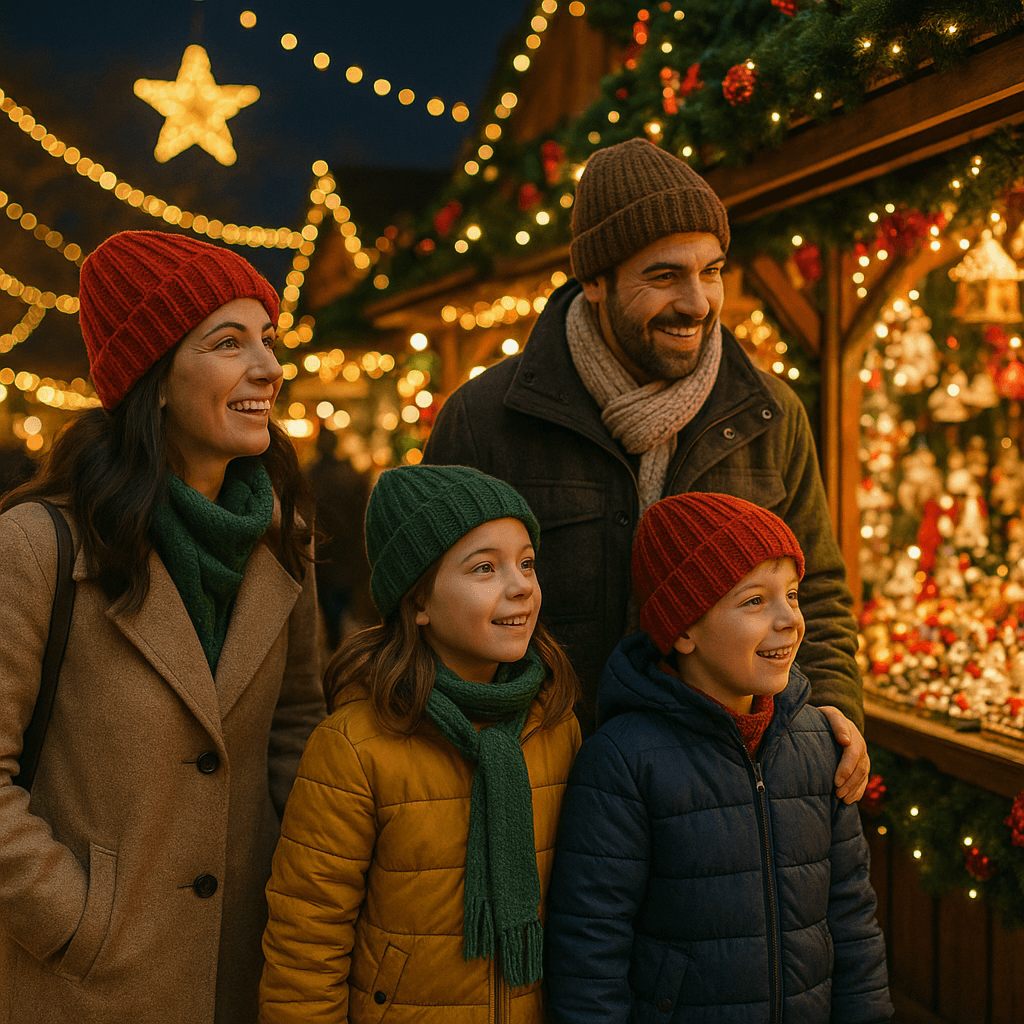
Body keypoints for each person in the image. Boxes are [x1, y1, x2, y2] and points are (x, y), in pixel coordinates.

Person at [423, 137, 868, 800]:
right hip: (543, 793)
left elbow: (820, 587)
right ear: (594, 282)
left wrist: (832, 703)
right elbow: (426, 613)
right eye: (664, 277)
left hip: (724, 798)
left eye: (711, 270)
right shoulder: (484, 421)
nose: (698, 302)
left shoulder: (770, 416)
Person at [0, 230, 324, 1024]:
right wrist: (74, 921)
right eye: (228, 342)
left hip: (243, 975)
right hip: (87, 986)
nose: (269, 367)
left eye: (267, 339)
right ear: (155, 378)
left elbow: (297, 728)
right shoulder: (37, 546)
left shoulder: (283, 542)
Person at [544, 493, 892, 1023]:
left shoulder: (819, 743)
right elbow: (590, 949)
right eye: (754, 601)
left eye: (792, 595)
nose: (789, 619)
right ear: (684, 629)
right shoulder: (623, 762)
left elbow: (852, 919)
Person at [258, 464, 581, 1023]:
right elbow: (306, 942)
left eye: (527, 563)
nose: (521, 585)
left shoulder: (554, 724)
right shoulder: (355, 747)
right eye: (485, 567)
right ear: (418, 602)